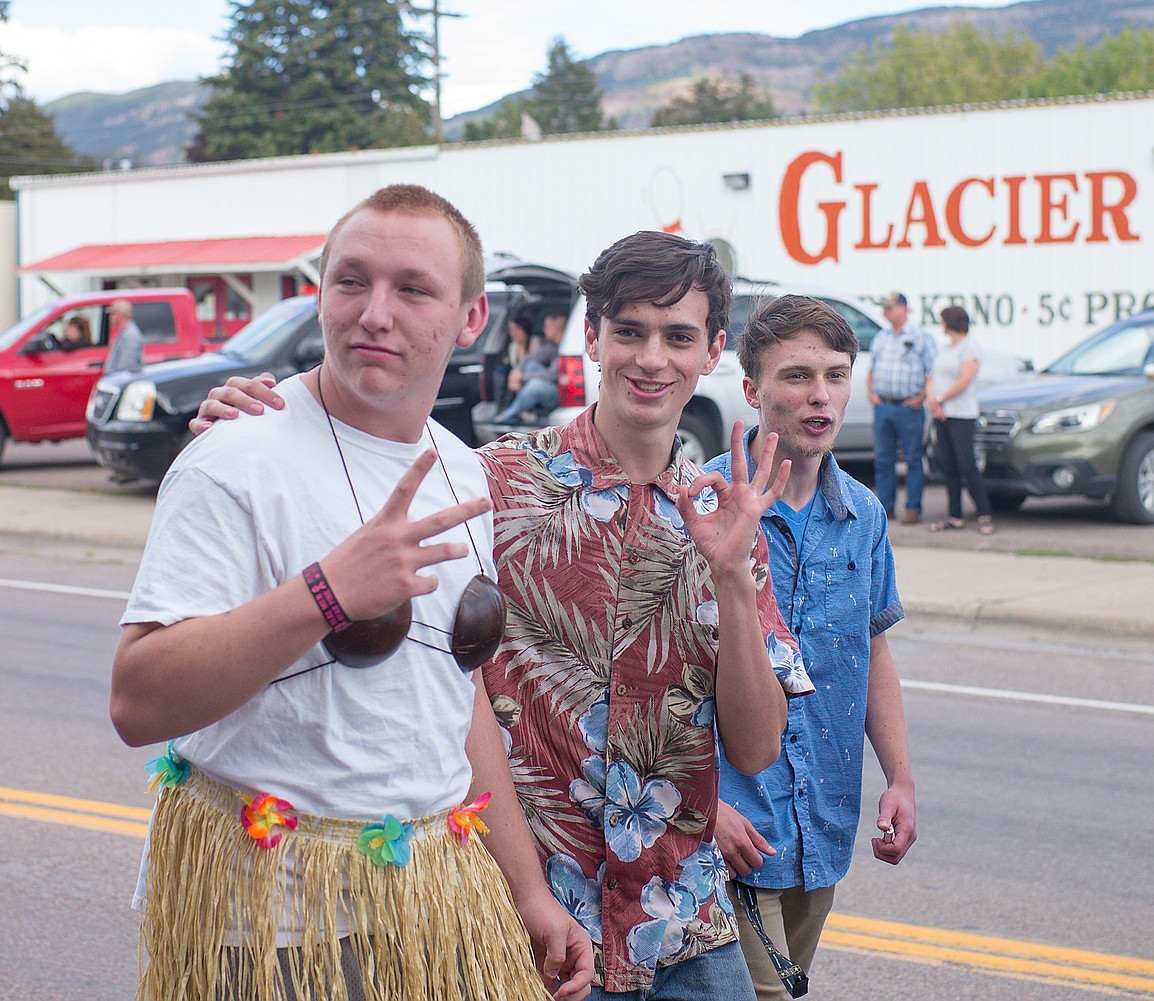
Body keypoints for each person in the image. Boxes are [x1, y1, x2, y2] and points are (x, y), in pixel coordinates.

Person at [192, 230, 813, 999]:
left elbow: (754, 750)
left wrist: (732, 583)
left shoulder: (728, 523)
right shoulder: (489, 484)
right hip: (525, 923)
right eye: (629, 331)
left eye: (678, 336)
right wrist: (261, 420)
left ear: (712, 350)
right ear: (591, 338)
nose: (652, 358)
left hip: (684, 926)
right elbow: (350, 492)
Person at [110, 185, 593, 1001]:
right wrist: (326, 594)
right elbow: (138, 701)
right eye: (351, 281)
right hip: (270, 923)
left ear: (470, 318)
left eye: (413, 288)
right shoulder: (236, 459)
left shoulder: (464, 471)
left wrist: (528, 889)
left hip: (431, 897)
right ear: (321, 292)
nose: (375, 312)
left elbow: (456, 693)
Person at [706, 295, 917, 1001]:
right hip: (727, 828)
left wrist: (900, 776)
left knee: (790, 986)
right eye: (796, 376)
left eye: (835, 373)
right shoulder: (702, 503)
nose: (819, 394)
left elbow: (871, 649)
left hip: (819, 825)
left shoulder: (863, 514)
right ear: (752, 389)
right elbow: (645, 677)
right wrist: (697, 800)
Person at [866, 292, 936, 524]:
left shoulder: (920, 337)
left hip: (909, 406)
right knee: (883, 459)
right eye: (885, 308)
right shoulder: (882, 337)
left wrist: (922, 397)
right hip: (884, 405)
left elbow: (932, 372)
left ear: (904, 308)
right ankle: (886, 507)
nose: (887, 312)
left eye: (890, 308)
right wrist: (872, 394)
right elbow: (872, 369)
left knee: (913, 458)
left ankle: (913, 508)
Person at [925, 305, 995, 535]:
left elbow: (965, 380)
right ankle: (954, 515)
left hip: (961, 414)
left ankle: (984, 513)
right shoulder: (946, 349)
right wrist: (932, 401)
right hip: (942, 414)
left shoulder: (969, 348)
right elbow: (933, 377)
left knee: (967, 464)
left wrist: (941, 399)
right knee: (949, 465)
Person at [492, 308, 568, 423]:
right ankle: (520, 411)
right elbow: (532, 358)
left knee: (535, 385)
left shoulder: (566, 346)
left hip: (561, 394)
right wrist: (517, 371)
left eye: (547, 326)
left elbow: (551, 376)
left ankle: (508, 415)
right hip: (550, 386)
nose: (544, 330)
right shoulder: (552, 347)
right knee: (531, 365)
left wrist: (522, 377)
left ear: (556, 329)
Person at [103, 298, 144, 373]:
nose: (110, 317)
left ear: (119, 315)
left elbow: (125, 367)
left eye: (112, 314)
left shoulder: (130, 335)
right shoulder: (125, 333)